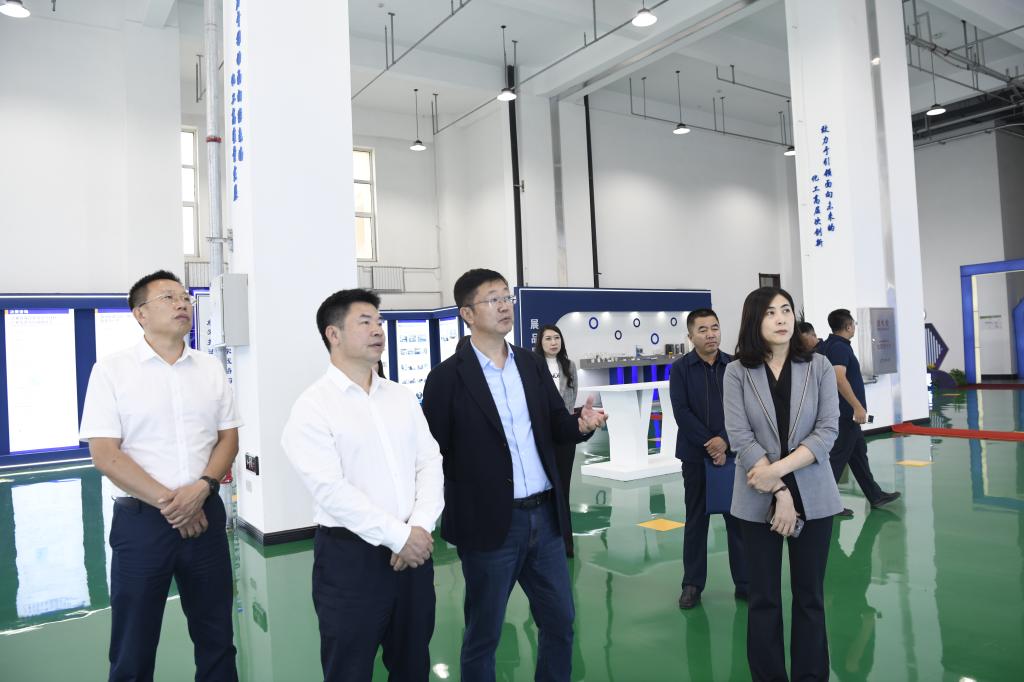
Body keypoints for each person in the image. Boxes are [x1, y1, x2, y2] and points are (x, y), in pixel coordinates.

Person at [421, 268, 608, 681]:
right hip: (490, 527)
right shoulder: (446, 379)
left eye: (507, 297)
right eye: (493, 299)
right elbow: (432, 455)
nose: (505, 306)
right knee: (484, 635)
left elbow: (555, 423)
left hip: (545, 519)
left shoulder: (530, 364)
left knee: (560, 623)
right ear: (468, 313)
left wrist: (579, 424)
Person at [79, 270, 241, 681]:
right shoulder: (112, 371)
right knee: (133, 643)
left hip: (206, 519)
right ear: (140, 314)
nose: (182, 304)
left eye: (185, 297)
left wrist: (202, 488)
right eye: (169, 297)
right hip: (142, 525)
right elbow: (105, 454)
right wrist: (175, 504)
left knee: (217, 637)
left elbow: (228, 439)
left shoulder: (209, 368)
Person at [281, 289, 444, 681]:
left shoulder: (401, 397)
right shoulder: (313, 407)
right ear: (333, 334)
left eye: (379, 322)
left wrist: (419, 528)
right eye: (365, 322)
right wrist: (399, 537)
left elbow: (430, 462)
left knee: (413, 665)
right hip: (351, 561)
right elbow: (331, 491)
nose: (377, 330)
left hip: (414, 553)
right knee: (349, 668)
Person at [723, 286, 843, 682]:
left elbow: (827, 431)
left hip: (814, 492)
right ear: (754, 321)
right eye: (771, 312)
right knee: (763, 599)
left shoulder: (819, 366)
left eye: (787, 310)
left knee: (810, 598)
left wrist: (778, 472)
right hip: (757, 495)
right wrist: (778, 489)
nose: (781, 319)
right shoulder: (737, 372)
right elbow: (740, 436)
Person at [669, 308, 748, 609]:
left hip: (734, 455)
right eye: (702, 330)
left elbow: (744, 408)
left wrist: (725, 440)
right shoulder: (680, 369)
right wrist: (711, 444)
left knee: (737, 520)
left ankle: (745, 582)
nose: (710, 334)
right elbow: (681, 411)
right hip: (695, 457)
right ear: (690, 336)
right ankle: (692, 584)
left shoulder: (735, 366)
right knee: (696, 520)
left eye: (714, 327)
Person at [820, 309, 901, 517]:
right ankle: (826, 504)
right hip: (845, 414)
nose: (854, 327)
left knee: (858, 457)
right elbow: (839, 378)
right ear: (848, 326)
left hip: (847, 415)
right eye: (853, 324)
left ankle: (875, 495)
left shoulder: (831, 345)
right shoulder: (839, 348)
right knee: (837, 459)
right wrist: (857, 406)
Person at [533, 323, 579, 557]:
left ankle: (566, 542)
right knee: (543, 490)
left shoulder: (569, 366)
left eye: (557, 338)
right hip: (541, 435)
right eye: (548, 338)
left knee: (563, 488)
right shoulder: (533, 366)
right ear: (540, 342)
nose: (553, 342)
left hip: (564, 435)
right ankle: (544, 541)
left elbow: (571, 400)